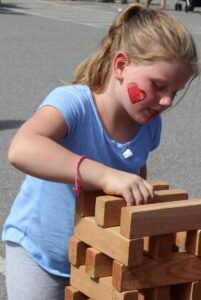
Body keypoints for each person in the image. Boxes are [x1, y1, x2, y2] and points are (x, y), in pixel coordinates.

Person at [2, 3, 198, 300]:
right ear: (121, 65)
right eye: (158, 86)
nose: (167, 101)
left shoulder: (148, 124)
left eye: (175, 91)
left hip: (99, 258)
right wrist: (106, 176)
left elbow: (134, 174)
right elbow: (22, 148)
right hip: (41, 256)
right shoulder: (74, 104)